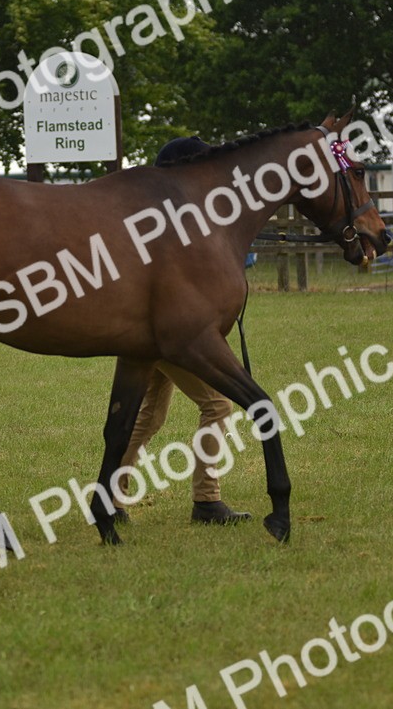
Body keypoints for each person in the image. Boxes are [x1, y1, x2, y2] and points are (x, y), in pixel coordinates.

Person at [113, 136, 252, 526]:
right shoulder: (173, 222)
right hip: (168, 337)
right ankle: (206, 500)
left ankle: (112, 496)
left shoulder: (157, 216)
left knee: (149, 416)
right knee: (218, 404)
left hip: (147, 334)